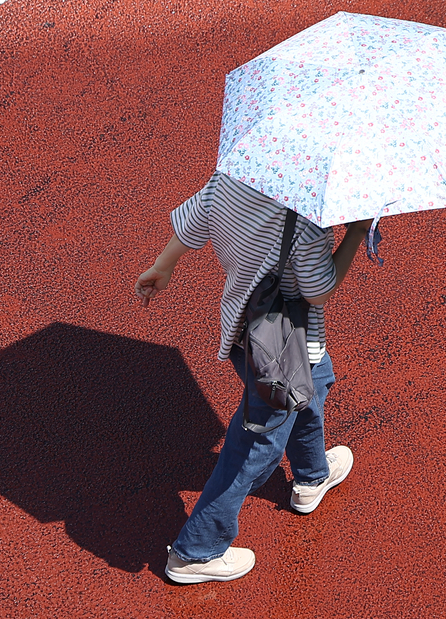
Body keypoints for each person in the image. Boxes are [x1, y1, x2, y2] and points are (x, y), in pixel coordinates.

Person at [134, 172, 373, 584]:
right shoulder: (309, 222)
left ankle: (311, 477)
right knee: (255, 445)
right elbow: (319, 292)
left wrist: (162, 266)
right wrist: (355, 232)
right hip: (284, 348)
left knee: (315, 384)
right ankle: (196, 551)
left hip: (243, 332)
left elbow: (194, 220)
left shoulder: (232, 179)